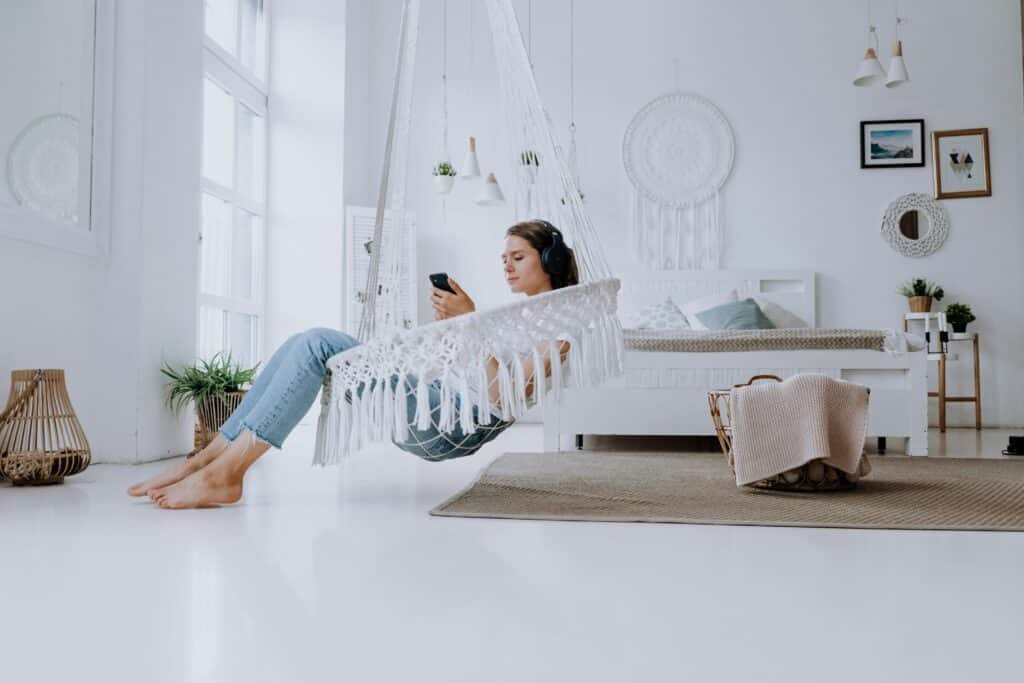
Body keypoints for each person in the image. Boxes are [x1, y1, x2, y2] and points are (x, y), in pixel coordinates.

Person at [128, 220, 579, 508]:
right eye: (503, 259)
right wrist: (459, 326)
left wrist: (470, 324)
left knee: (317, 345)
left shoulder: (559, 333)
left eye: (517, 258)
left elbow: (504, 396)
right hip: (434, 398)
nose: (507, 267)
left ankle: (226, 475)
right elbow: (473, 364)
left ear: (552, 261)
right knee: (301, 343)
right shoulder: (522, 317)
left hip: (448, 422)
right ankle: (204, 461)